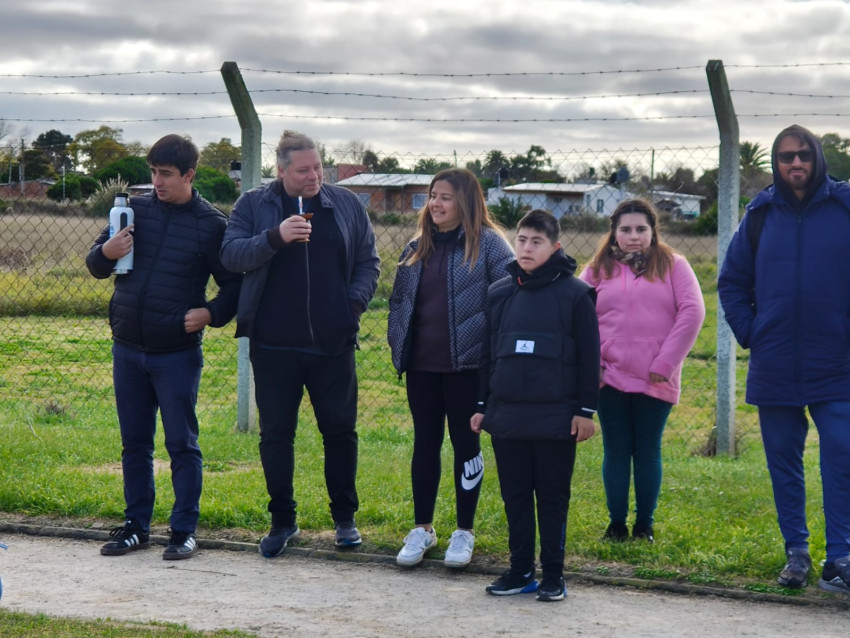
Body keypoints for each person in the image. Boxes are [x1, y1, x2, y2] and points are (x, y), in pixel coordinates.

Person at [219, 130, 380, 557]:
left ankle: (344, 520)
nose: (315, 176)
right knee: (276, 436)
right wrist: (276, 237)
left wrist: (351, 308)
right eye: (304, 170)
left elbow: (368, 262)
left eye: (318, 167)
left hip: (333, 344)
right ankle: (282, 521)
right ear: (281, 170)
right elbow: (231, 255)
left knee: (340, 433)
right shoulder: (253, 205)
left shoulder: (345, 204)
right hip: (274, 346)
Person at [86, 134, 241, 560]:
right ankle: (136, 527)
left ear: (189, 175)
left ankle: (183, 530)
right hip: (127, 348)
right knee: (135, 444)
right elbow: (96, 264)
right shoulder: (131, 211)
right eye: (153, 172)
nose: (157, 181)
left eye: (166, 174)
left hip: (176, 354)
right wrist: (107, 251)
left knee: (181, 445)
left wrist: (210, 313)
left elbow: (234, 287)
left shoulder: (212, 225)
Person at [719, 124, 850, 594]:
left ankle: (840, 557)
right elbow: (732, 282)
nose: (795, 163)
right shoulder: (760, 214)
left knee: (842, 455)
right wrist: (753, 332)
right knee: (783, 463)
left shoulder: (844, 207)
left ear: (817, 157)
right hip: (775, 362)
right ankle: (797, 552)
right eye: (786, 156)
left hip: (836, 363)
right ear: (776, 163)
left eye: (803, 155)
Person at [471, 209, 599, 602]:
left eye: (537, 242)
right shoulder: (499, 292)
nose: (527, 248)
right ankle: (520, 570)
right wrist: (482, 405)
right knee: (515, 496)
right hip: (507, 416)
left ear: (555, 247)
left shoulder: (576, 295)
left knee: (552, 498)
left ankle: (554, 576)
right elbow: (488, 355)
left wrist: (586, 411)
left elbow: (590, 357)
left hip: (556, 419)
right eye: (522, 240)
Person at [388, 168, 513, 569]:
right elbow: (399, 303)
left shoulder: (489, 245)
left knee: (466, 445)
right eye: (432, 196)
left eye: (445, 197)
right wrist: (397, 344)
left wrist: (493, 352)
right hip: (422, 367)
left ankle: (464, 531)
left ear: (466, 202)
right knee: (425, 443)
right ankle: (422, 529)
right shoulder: (416, 247)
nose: (436, 204)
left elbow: (512, 296)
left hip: (468, 368)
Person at [579, 199, 704, 544]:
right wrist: (594, 365)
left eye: (640, 229)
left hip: (656, 377)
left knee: (647, 450)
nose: (633, 236)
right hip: (608, 377)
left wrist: (666, 363)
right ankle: (616, 524)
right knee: (617, 450)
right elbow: (578, 315)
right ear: (614, 233)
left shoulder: (674, 266)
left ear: (653, 231)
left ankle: (644, 525)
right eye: (626, 229)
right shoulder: (597, 269)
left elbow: (693, 312)